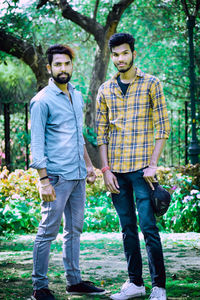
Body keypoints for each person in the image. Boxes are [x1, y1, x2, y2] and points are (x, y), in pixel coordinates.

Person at [96, 33, 170, 300]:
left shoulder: (151, 84)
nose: (120, 59)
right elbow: (101, 133)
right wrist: (105, 170)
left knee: (148, 227)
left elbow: (163, 127)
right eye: (115, 55)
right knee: (127, 228)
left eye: (124, 53)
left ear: (133, 53)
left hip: (142, 171)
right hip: (116, 173)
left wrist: (153, 165)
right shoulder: (105, 89)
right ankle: (135, 283)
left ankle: (159, 286)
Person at [30, 44, 105, 300]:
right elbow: (37, 144)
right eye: (58, 65)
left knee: (74, 230)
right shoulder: (41, 101)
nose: (63, 68)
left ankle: (74, 281)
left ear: (72, 66)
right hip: (57, 177)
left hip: (77, 176)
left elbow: (78, 135)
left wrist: (88, 165)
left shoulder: (77, 94)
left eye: (67, 64)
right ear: (50, 68)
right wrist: (43, 180)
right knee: (47, 232)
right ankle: (39, 287)